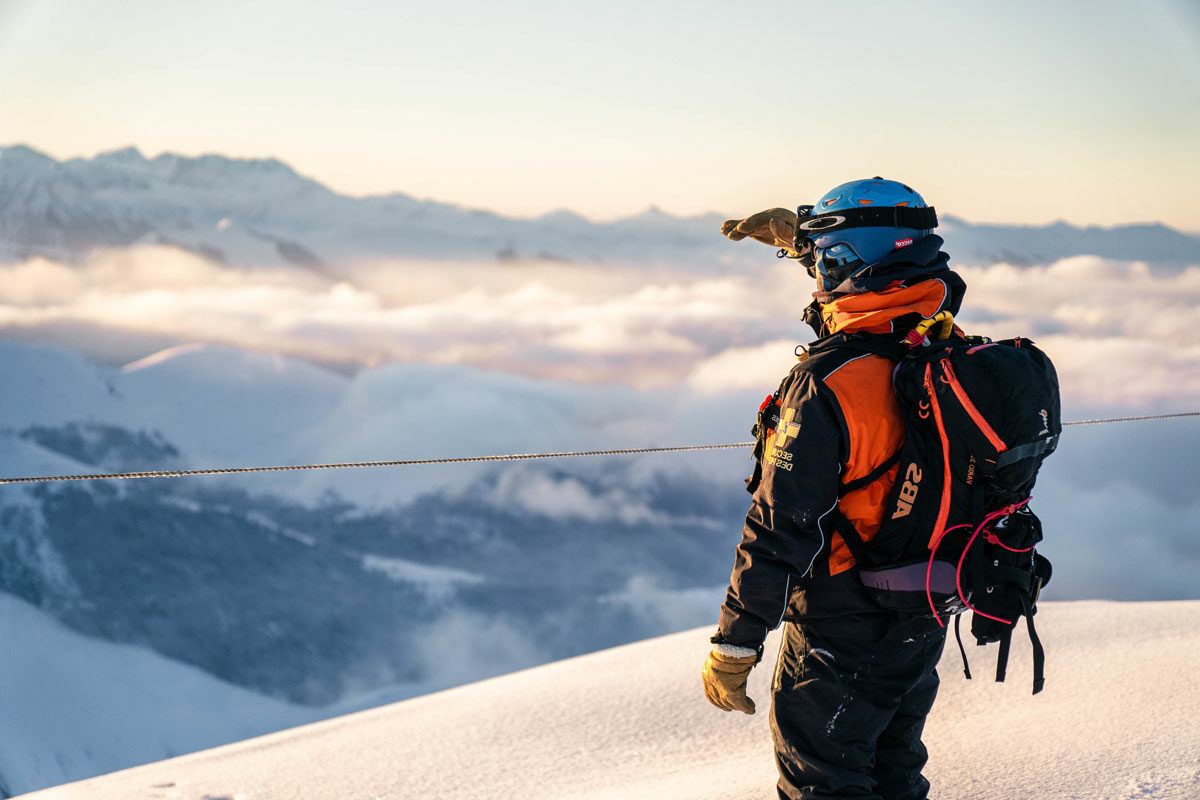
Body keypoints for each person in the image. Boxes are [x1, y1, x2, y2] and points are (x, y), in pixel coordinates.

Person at [702, 178, 968, 800]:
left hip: (839, 623)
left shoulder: (828, 385)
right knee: (892, 772)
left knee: (823, 784)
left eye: (828, 257)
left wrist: (737, 641)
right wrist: (809, 247)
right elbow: (890, 294)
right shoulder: (942, 345)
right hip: (924, 606)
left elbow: (780, 525)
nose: (820, 272)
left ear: (849, 262)